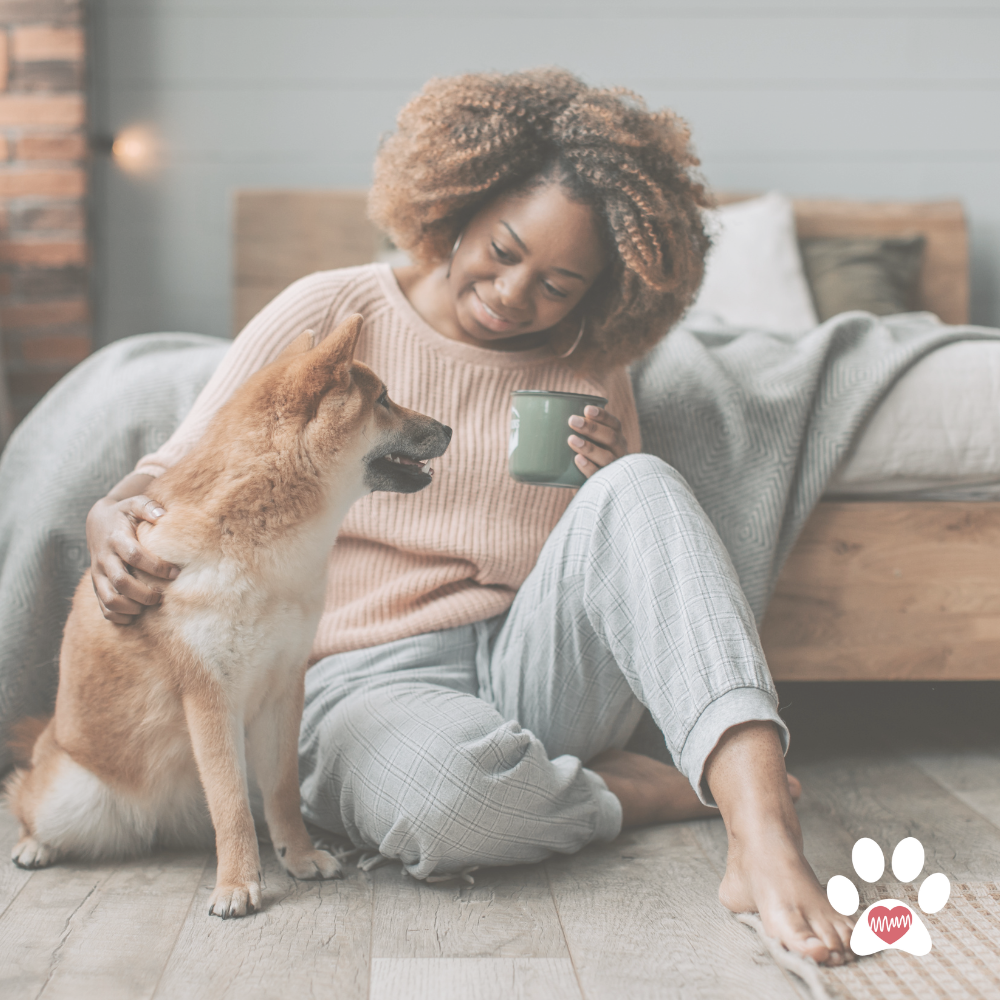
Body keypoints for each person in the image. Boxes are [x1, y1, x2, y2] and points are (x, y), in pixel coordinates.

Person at [84, 69, 854, 964]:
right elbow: (175, 471)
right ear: (459, 206)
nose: (517, 293)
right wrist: (111, 515)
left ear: (599, 295)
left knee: (642, 483)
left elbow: (620, 553)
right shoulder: (334, 311)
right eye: (504, 248)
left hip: (532, 660)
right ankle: (634, 794)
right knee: (449, 805)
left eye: (560, 284)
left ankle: (759, 832)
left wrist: (603, 481)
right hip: (361, 681)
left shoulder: (590, 359)